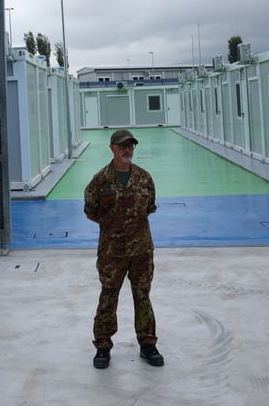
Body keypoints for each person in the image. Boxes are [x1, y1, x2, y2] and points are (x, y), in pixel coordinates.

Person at [83, 128, 163, 369]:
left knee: (142, 296)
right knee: (108, 295)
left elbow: (149, 207)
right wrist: (114, 228)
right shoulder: (100, 180)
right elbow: (91, 211)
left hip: (141, 250)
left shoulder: (144, 177)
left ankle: (148, 344)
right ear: (112, 148)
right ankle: (102, 347)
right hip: (112, 251)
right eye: (122, 146)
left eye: (130, 145)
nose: (127, 149)